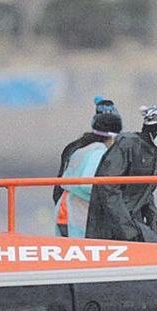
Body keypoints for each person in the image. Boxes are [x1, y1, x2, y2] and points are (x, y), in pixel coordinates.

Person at [86, 105, 157, 243]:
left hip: (133, 222)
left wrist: (152, 223)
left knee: (155, 245)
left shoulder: (151, 153)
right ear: (153, 130)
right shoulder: (127, 145)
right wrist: (127, 230)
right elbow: (108, 187)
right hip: (113, 226)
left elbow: (147, 193)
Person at [54, 96, 119, 236]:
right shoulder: (98, 152)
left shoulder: (81, 148)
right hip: (76, 215)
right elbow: (87, 184)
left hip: (66, 211)